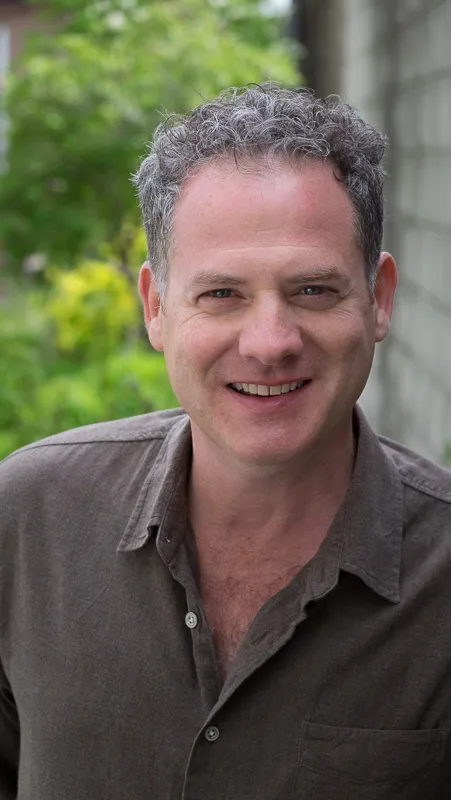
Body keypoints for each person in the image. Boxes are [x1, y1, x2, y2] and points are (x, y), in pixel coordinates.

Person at [1, 84, 450, 800]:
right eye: (221, 294)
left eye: (312, 290)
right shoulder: (26, 523)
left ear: (379, 299)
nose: (269, 343)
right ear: (155, 307)